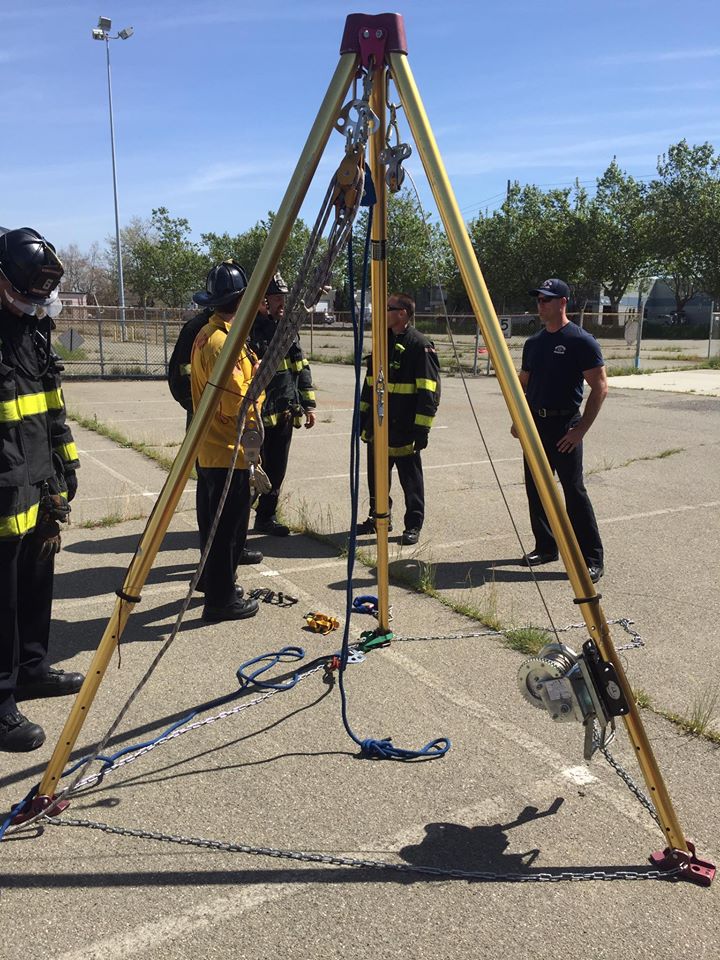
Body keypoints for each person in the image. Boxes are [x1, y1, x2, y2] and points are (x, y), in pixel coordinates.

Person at [0, 227, 84, 752]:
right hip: (3, 487)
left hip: (38, 480)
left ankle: (31, 669)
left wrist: (64, 466)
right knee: (0, 599)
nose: (34, 303)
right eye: (27, 292)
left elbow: (50, 404)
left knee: (35, 582)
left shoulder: (31, 330)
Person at [512, 278, 607, 583]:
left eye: (547, 300)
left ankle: (591, 557)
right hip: (536, 425)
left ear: (563, 302)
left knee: (574, 491)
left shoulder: (581, 341)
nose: (541, 305)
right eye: (539, 300)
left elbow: (600, 387)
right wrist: (519, 418)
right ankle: (546, 546)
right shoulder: (534, 343)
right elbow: (523, 384)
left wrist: (580, 430)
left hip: (565, 425)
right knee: (537, 487)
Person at [190, 260, 264, 622]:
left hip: (211, 449)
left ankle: (211, 582)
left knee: (212, 525)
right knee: (229, 531)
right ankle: (221, 599)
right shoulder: (224, 344)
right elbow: (237, 403)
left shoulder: (207, 334)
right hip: (227, 450)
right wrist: (261, 384)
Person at [357, 293, 441, 546]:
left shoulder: (420, 345)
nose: (382, 312)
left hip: (405, 428)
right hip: (379, 426)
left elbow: (428, 391)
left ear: (402, 313)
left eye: (388, 308)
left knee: (411, 480)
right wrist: (363, 419)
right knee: (377, 477)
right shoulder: (382, 342)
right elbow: (369, 384)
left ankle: (413, 525)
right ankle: (379, 516)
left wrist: (421, 430)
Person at [249, 273, 316, 537]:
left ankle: (267, 516)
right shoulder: (248, 330)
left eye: (283, 298)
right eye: (277, 298)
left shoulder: (287, 329)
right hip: (256, 416)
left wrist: (308, 405)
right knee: (251, 471)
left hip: (284, 414)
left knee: (276, 469)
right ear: (261, 301)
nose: (281, 303)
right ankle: (235, 521)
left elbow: (301, 366)